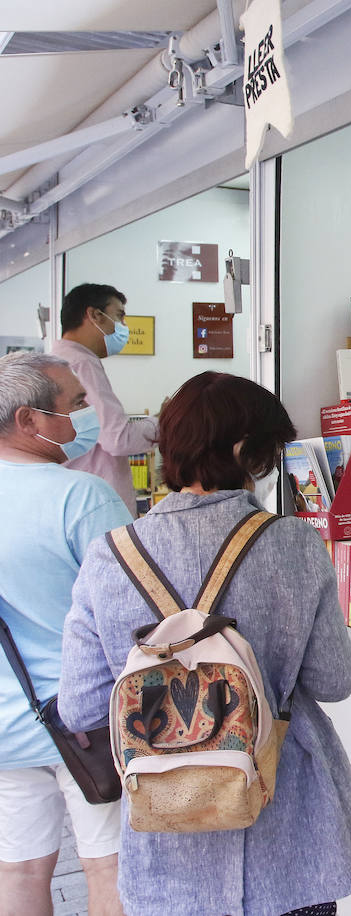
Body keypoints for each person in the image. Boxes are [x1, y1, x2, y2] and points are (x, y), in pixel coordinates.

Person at [59, 371, 351, 916]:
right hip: (288, 830)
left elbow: (82, 706)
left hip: (168, 843)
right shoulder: (293, 543)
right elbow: (334, 680)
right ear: (245, 452)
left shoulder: (109, 555)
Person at [0, 353, 131, 916]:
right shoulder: (81, 498)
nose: (85, 416)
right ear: (30, 421)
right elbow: (130, 613)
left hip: (6, 722)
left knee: (22, 869)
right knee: (108, 864)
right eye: (76, 405)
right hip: (84, 721)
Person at [51, 284, 160, 516]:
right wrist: (163, 420)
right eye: (119, 316)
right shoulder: (81, 364)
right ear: (95, 315)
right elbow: (117, 439)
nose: (123, 327)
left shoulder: (58, 360)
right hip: (95, 503)